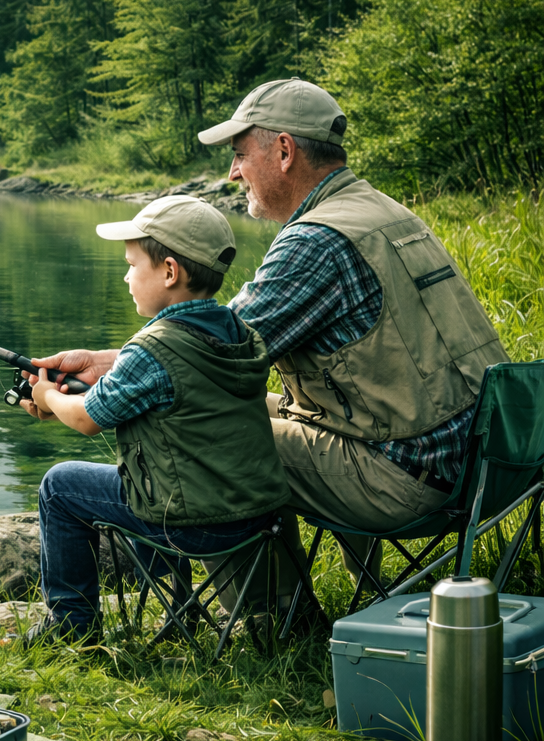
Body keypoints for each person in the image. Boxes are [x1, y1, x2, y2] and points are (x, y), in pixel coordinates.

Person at [25, 78, 509, 618]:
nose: (233, 173)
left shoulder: (317, 240)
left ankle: (273, 616)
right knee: (229, 413)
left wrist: (101, 386)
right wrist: (108, 364)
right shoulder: (381, 210)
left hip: (405, 475)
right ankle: (274, 603)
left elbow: (204, 358)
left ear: (283, 150)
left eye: (239, 155)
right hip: (482, 460)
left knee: (209, 435)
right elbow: (213, 341)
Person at [24, 194, 290, 644]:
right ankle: (175, 611)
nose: (126, 275)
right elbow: (181, 399)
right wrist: (87, 390)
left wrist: (48, 396)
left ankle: (70, 627)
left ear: (169, 272)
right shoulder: (236, 333)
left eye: (132, 265)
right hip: (256, 518)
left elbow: (88, 419)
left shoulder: (152, 348)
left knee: (60, 486)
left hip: (194, 524)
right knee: (153, 474)